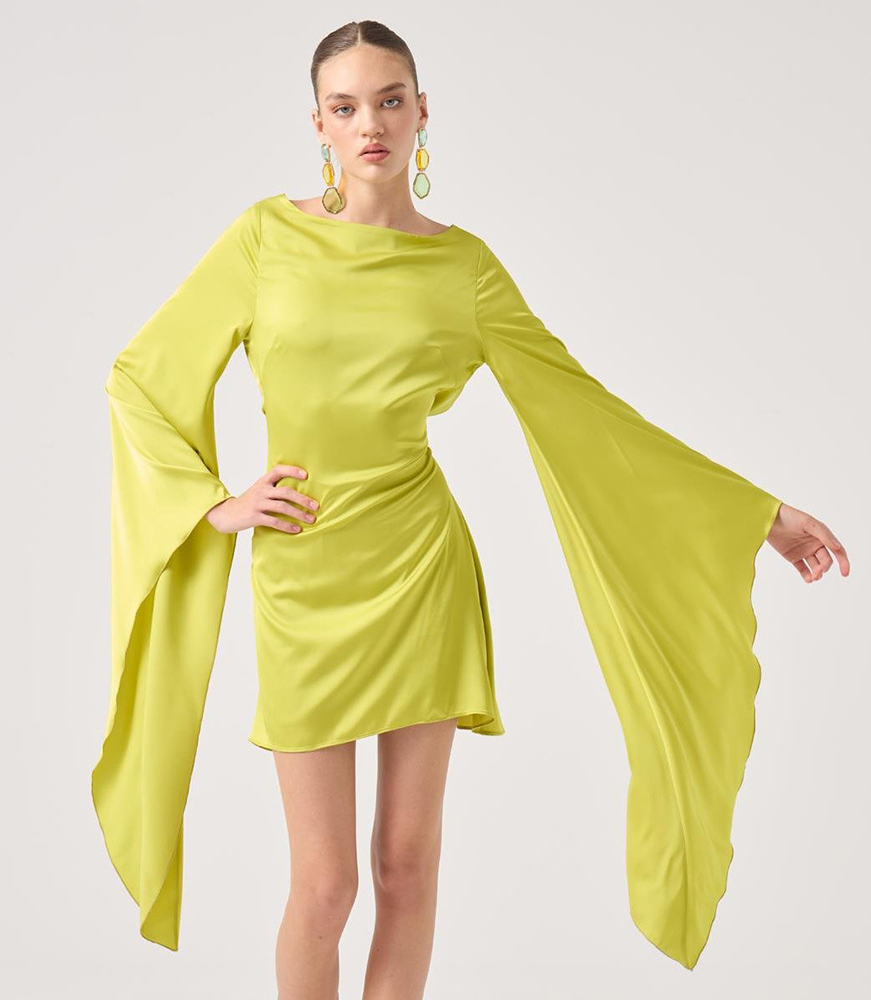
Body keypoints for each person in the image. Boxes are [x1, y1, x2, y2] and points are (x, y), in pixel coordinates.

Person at [91, 19, 850, 998]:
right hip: (302, 577)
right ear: (318, 124)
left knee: (405, 871)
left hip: (421, 574)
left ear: (421, 111)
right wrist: (216, 506)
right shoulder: (264, 240)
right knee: (323, 887)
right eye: (345, 106)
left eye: (390, 100)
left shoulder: (466, 271)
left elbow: (584, 412)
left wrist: (756, 512)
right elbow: (140, 379)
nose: (370, 124)